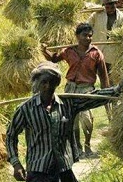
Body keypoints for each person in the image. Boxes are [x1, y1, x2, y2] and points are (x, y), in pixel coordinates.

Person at [6, 61, 113, 182]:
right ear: (36, 83)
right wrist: (16, 163)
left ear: (57, 84)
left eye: (52, 83)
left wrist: (117, 91)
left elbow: (93, 98)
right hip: (38, 175)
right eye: (44, 82)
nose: (47, 87)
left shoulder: (67, 104)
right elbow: (11, 136)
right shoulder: (25, 109)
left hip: (63, 172)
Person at [41, 23, 110, 158]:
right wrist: (45, 51)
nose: (88, 38)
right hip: (71, 88)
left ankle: (88, 146)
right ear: (77, 36)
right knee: (72, 119)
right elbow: (54, 58)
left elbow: (103, 75)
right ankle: (77, 148)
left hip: (86, 89)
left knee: (87, 119)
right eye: (85, 35)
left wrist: (106, 93)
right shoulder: (69, 51)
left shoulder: (96, 53)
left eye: (90, 36)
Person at [87, 0, 123, 120]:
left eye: (112, 5)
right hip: (97, 54)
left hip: (113, 57)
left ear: (116, 4)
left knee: (111, 84)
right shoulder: (97, 15)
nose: (110, 8)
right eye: (107, 6)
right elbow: (87, 27)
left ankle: (114, 113)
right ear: (103, 5)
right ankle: (108, 111)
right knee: (101, 84)